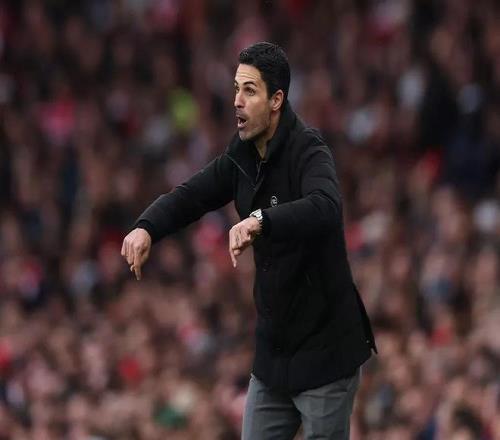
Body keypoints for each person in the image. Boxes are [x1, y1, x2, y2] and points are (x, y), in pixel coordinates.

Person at [121, 42, 377, 440]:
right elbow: (192, 195)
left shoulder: (309, 150)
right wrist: (146, 227)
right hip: (275, 351)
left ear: (276, 100)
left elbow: (325, 207)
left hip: (326, 349)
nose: (237, 101)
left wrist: (261, 220)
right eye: (236, 89)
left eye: (250, 90)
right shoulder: (241, 155)